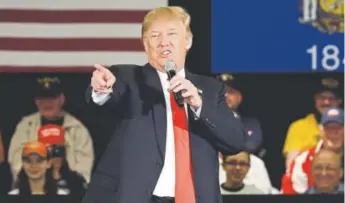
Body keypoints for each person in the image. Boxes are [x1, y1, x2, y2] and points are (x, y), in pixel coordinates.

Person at [83, 6, 245, 203]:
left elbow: (235, 142)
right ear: (145, 45)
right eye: (155, 36)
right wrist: (102, 89)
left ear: (188, 41)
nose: (163, 42)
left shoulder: (210, 90)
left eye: (172, 34)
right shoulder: (129, 78)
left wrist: (199, 105)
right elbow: (104, 99)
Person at [8, 77, 94, 183]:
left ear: (62, 99)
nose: (47, 103)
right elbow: (15, 162)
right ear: (36, 102)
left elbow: (84, 170)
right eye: (42, 99)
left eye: (52, 98)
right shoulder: (25, 126)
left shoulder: (77, 129)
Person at [281, 107, 344, 194]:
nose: (333, 133)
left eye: (338, 128)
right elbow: (290, 194)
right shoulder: (302, 160)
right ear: (321, 131)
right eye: (328, 128)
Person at [282, 78, 342, 168]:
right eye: (322, 97)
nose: (326, 102)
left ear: (340, 101)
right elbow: (291, 166)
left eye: (332, 98)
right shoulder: (299, 126)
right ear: (315, 99)